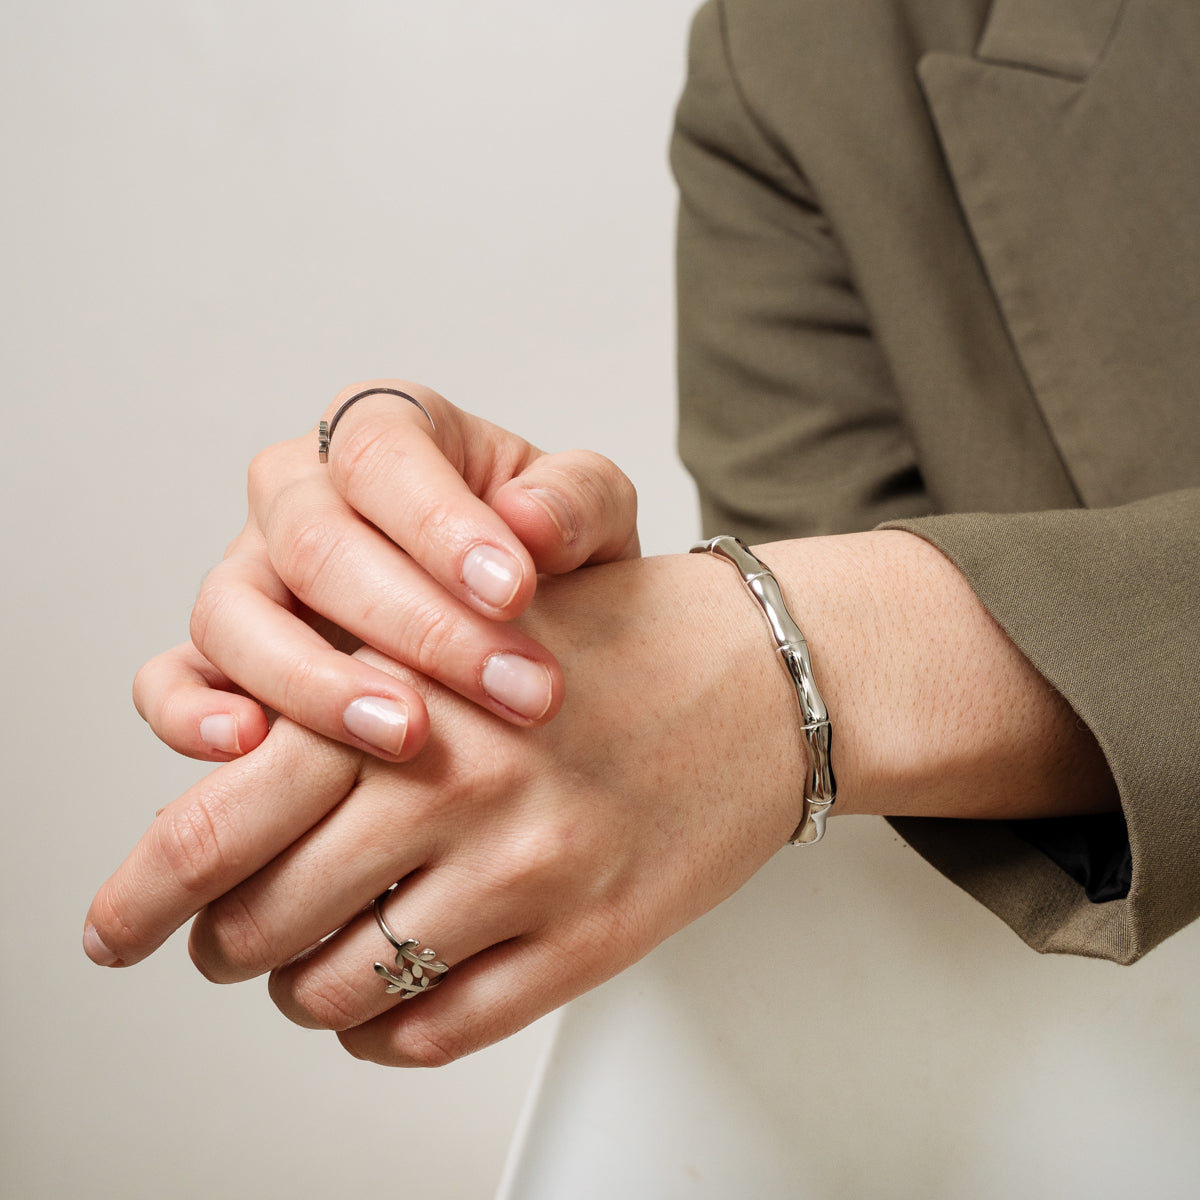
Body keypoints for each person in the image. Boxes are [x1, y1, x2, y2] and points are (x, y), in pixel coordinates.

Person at [84, 0, 1199, 1079]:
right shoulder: (799, 55)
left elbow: (803, 663)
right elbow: (799, 739)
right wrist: (473, 612)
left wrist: (789, 662)